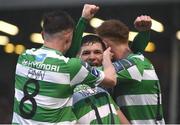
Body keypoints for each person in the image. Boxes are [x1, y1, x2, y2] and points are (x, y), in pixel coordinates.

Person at [12, 5, 117, 124]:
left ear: (42, 35)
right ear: (68, 40)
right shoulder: (71, 67)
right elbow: (111, 80)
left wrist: (83, 19)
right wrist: (107, 58)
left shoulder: (24, 57)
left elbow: (65, 55)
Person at [96, 17, 165, 124]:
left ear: (105, 44)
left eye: (99, 48)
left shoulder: (134, 65)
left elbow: (87, 74)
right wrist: (144, 33)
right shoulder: (135, 61)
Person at [73, 34, 130, 124]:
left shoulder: (103, 93)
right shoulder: (67, 88)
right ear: (76, 57)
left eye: (97, 52)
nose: (92, 57)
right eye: (86, 53)